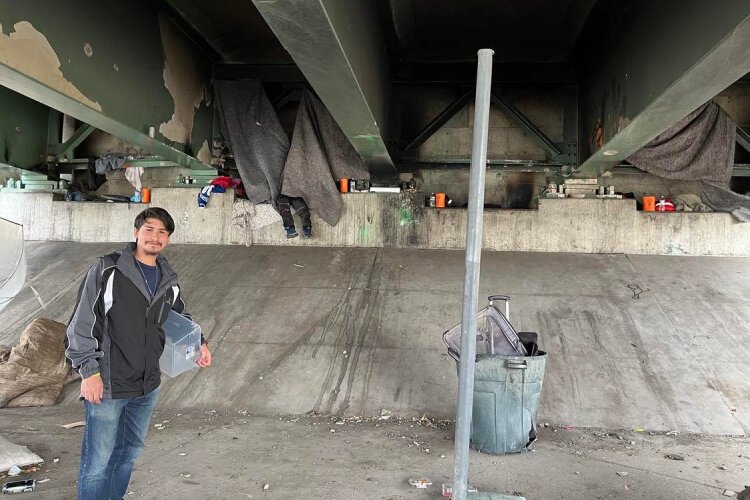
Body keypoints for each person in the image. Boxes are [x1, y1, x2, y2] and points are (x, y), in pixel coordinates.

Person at [65, 207, 212, 500]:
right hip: (108, 381)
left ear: (168, 238)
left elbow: (178, 315)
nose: (155, 237)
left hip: (146, 384)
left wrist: (198, 343)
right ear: (135, 232)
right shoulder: (108, 269)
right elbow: (83, 321)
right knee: (98, 462)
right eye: (149, 229)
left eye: (162, 232)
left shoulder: (166, 276)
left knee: (128, 454)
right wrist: (88, 371)